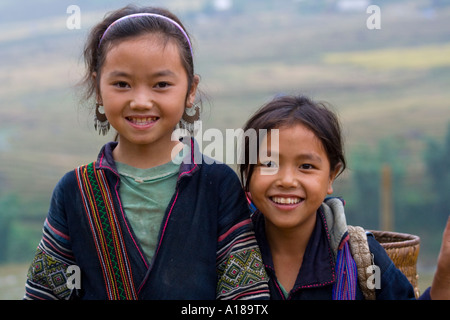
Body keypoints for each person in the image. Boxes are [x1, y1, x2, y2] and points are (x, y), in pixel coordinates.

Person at [24, 5, 269, 300]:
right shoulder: (76, 192)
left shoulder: (218, 186)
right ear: (98, 89)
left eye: (161, 84)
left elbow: (246, 299)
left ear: (191, 90)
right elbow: (44, 294)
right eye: (122, 84)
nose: (141, 101)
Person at [239, 94, 450, 299]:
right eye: (268, 164)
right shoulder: (227, 253)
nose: (287, 180)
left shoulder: (365, 260)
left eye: (306, 166)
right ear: (248, 172)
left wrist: (444, 276)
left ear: (331, 176)